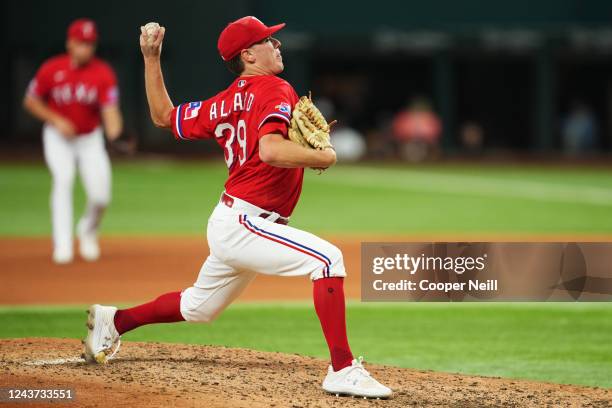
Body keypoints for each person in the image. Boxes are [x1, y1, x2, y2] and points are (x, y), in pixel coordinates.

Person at [83, 16, 391, 399]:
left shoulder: (224, 100)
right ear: (248, 54)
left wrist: (150, 58)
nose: (277, 46)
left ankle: (114, 320)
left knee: (199, 306)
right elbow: (271, 150)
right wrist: (324, 156)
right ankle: (342, 369)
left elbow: (164, 116)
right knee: (327, 260)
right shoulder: (275, 88)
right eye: (268, 41)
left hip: (234, 220)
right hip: (246, 222)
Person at [23, 18, 123, 264]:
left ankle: (88, 230)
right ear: (70, 43)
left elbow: (110, 110)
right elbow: (31, 101)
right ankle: (63, 244)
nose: (86, 48)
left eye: (90, 43)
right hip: (58, 138)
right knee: (63, 179)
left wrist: (116, 135)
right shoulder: (51, 68)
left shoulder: (103, 73)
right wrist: (56, 120)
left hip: (89, 138)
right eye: (81, 43)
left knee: (101, 196)